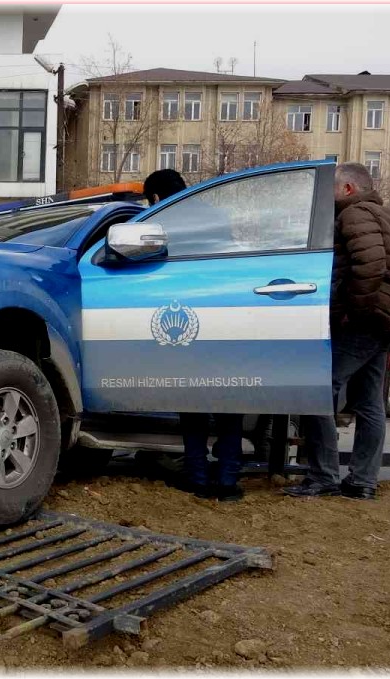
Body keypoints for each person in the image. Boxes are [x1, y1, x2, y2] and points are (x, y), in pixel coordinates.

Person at [285, 163, 390, 500]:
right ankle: (362, 481)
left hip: (364, 321)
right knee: (369, 401)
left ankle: (323, 476)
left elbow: (371, 266)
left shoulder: (354, 215)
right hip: (386, 322)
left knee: (317, 391)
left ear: (348, 189)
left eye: (332, 188)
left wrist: (353, 313)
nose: (327, 195)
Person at [142, 170, 245, 501]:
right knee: (229, 399)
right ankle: (228, 480)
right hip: (225, 315)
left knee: (192, 400)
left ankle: (198, 477)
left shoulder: (162, 220)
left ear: (156, 197)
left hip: (187, 315)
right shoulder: (215, 215)